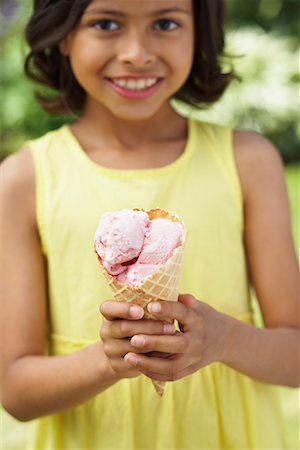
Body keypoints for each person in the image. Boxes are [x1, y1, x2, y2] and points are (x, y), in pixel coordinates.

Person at [1, 0, 299, 449]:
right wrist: (108, 360)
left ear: (199, 31)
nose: (137, 52)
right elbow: (15, 391)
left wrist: (226, 341)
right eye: (105, 23)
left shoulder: (248, 162)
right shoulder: (24, 180)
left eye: (165, 22)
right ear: (62, 34)